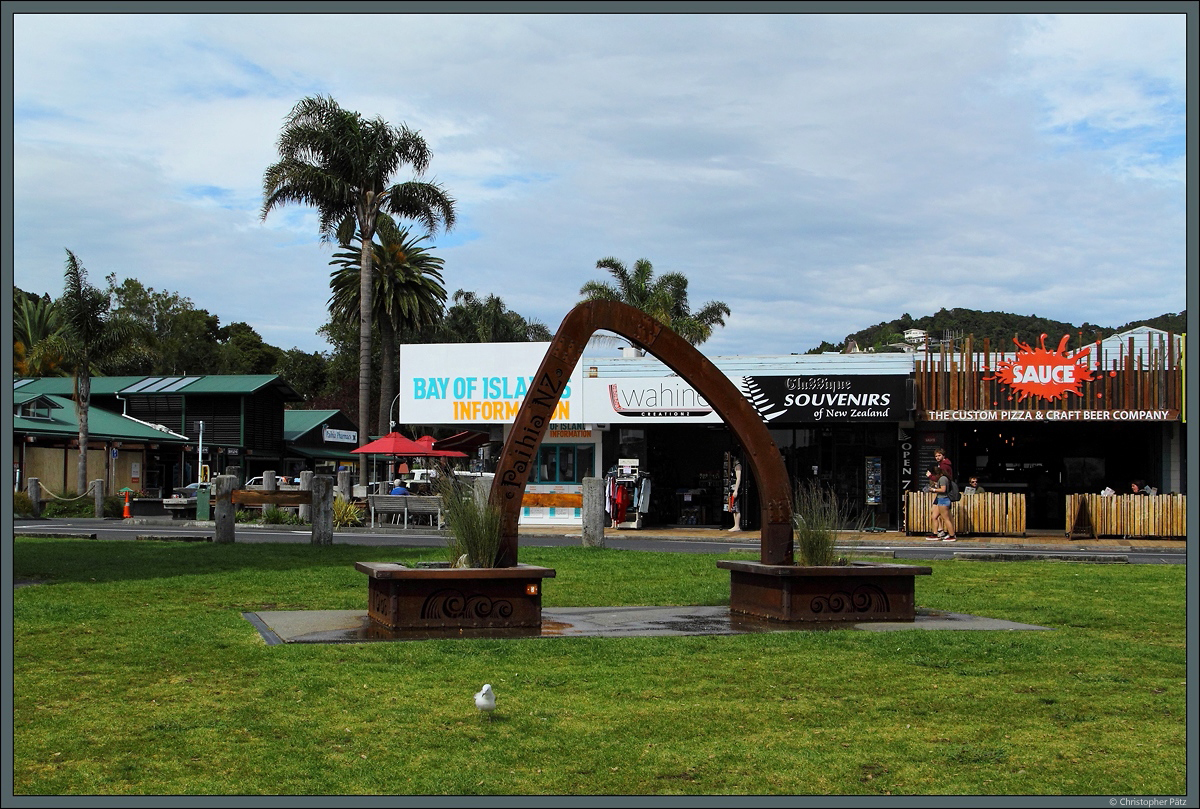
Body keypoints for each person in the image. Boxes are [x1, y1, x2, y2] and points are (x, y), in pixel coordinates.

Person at [925, 464, 956, 542]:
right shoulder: (943, 478)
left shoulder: (943, 479)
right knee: (934, 516)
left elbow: (943, 490)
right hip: (940, 499)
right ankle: (935, 534)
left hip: (943, 500)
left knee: (946, 518)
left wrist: (934, 490)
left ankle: (952, 536)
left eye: (936, 475)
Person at [727, 460, 743, 532]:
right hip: (732, 489)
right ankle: (735, 525)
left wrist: (736, 490)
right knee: (733, 508)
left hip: (735, 489)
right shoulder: (735, 467)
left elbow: (738, 478)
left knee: (736, 508)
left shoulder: (738, 466)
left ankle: (737, 525)